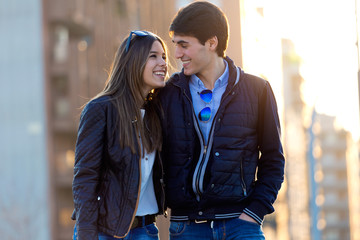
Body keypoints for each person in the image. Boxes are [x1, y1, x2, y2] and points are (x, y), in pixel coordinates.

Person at [158, 1, 285, 239]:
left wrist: (255, 212)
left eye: (184, 45)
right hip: (187, 226)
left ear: (212, 43)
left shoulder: (258, 90)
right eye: (176, 45)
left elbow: (273, 159)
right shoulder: (167, 94)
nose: (177, 54)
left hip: (241, 224)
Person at [71, 30, 168, 240]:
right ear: (133, 61)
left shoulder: (157, 113)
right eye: (153, 56)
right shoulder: (101, 109)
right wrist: (87, 234)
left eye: (164, 57)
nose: (162, 63)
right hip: (103, 232)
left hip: (146, 231)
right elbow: (85, 177)